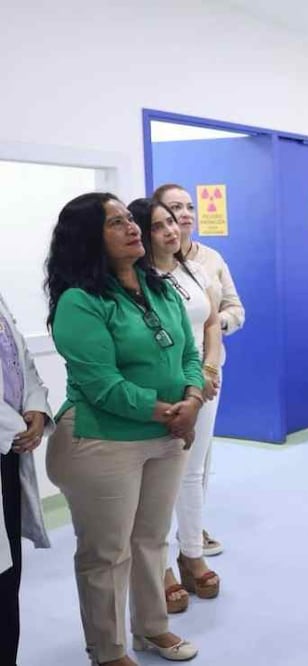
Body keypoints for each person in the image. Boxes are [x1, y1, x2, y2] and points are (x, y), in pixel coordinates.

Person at [44, 192, 203, 665]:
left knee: (151, 540)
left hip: (165, 438)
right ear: (89, 238)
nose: (132, 227)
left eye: (128, 220)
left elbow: (189, 354)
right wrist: (170, 412)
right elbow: (101, 384)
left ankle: (152, 629)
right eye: (115, 223)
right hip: (101, 441)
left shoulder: (160, 288)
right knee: (107, 553)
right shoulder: (80, 301)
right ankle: (108, 649)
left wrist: (192, 399)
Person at [129, 198, 222, 614]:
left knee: (194, 471)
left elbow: (210, 321)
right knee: (161, 479)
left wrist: (208, 370)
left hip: (204, 382)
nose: (172, 229)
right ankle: (162, 567)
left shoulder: (193, 270)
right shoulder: (137, 281)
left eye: (173, 221)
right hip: (169, 391)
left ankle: (191, 553)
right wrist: (190, 384)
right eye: (159, 225)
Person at [153, 183, 243, 557]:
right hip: (165, 378)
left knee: (197, 463)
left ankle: (191, 538)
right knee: (164, 462)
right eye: (173, 210)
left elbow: (232, 311)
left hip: (208, 371)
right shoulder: (142, 272)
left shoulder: (209, 263)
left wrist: (212, 343)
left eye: (188, 207)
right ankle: (159, 553)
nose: (184, 216)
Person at [0, 292, 53, 665]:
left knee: (6, 583)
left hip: (7, 455)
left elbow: (22, 363)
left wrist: (35, 406)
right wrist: (16, 426)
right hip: (8, 437)